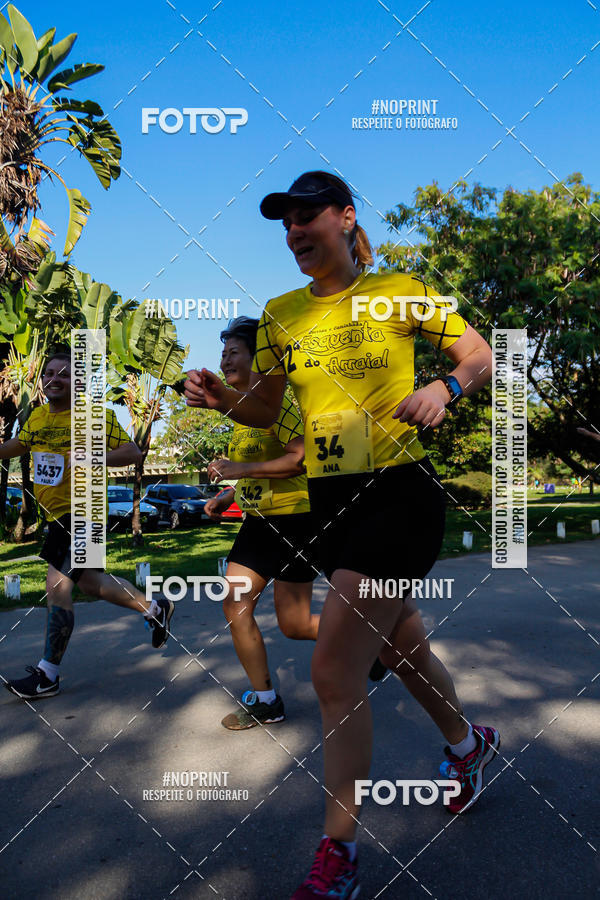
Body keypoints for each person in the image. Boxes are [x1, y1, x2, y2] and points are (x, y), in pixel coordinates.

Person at [184, 171, 500, 899]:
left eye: (306, 216)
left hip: (398, 494)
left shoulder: (398, 288)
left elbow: (480, 353)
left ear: (344, 217)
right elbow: (264, 410)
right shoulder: (280, 314)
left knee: (333, 674)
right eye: (284, 222)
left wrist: (445, 388)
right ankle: (467, 744)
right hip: (328, 505)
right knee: (398, 644)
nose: (294, 231)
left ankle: (339, 857)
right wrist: (223, 398)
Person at [2, 352, 174, 700]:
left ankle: (47, 674)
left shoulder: (95, 415)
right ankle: (156, 608)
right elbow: (16, 446)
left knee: (57, 584)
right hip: (56, 516)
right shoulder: (35, 416)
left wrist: (90, 456)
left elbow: (133, 453)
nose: (54, 379)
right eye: (49, 373)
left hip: (82, 510)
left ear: (77, 382)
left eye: (64, 374)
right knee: (92, 584)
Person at [198, 316, 320, 729]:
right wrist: (228, 494)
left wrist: (237, 469)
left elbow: (297, 460)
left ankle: (374, 640)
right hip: (258, 522)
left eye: (235, 352)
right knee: (234, 602)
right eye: (223, 353)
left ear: (258, 358)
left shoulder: (279, 402)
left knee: (296, 625)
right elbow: (255, 468)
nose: (225, 359)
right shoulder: (242, 410)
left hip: (296, 520)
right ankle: (266, 699)